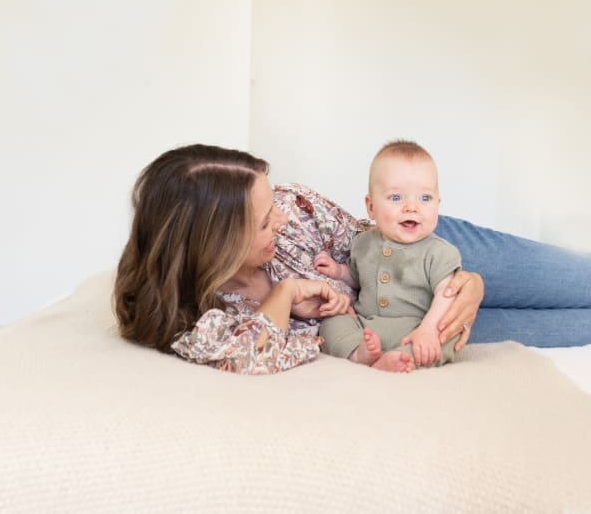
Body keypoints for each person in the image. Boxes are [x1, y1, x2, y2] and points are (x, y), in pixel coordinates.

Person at [114, 144, 591, 375]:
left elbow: (384, 236)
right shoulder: (200, 318)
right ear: (214, 245)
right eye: (263, 220)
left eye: (273, 201)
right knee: (577, 331)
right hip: (404, 328)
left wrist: (471, 281)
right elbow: (248, 355)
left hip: (424, 247)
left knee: (581, 281)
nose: (280, 218)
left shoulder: (294, 206)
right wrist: (284, 292)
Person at [314, 140, 461, 371]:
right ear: (371, 207)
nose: (412, 207)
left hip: (416, 329)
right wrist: (339, 271)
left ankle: (403, 358)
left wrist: (429, 329)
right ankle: (358, 353)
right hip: (367, 326)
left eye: (425, 198)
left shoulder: (440, 251)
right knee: (333, 322)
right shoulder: (363, 243)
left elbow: (448, 294)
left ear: (438, 204)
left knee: (449, 336)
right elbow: (358, 276)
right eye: (395, 198)